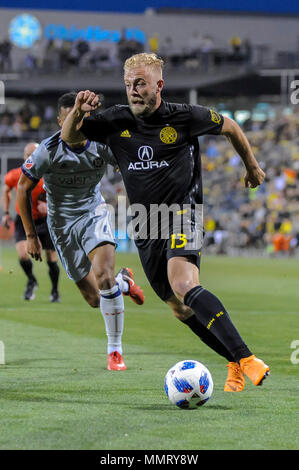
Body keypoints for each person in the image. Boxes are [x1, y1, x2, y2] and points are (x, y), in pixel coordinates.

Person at [60, 53, 270, 391]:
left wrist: (251, 166)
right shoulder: (115, 120)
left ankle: (247, 358)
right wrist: (76, 112)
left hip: (183, 212)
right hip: (145, 222)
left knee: (183, 284)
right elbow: (71, 138)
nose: (133, 90)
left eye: (140, 83)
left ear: (159, 85)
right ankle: (233, 360)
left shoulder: (184, 117)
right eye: (128, 84)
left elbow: (229, 125)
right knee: (178, 307)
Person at [17, 92, 145, 371]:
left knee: (103, 276)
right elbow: (23, 189)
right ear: (62, 120)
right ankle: (124, 283)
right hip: (61, 224)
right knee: (93, 298)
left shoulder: (101, 145)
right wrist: (30, 236)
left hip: (94, 213)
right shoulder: (47, 150)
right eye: (72, 116)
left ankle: (115, 351)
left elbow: (131, 166)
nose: (78, 121)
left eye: (84, 115)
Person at [2, 142, 60, 302]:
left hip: (45, 220)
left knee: (51, 258)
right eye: (29, 155)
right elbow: (6, 190)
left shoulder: (48, 175)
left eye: (34, 155)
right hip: (23, 218)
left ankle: (55, 291)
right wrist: (6, 213)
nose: (31, 158)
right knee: (22, 255)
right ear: (24, 156)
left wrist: (48, 206)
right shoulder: (15, 175)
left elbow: (60, 196)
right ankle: (31, 280)